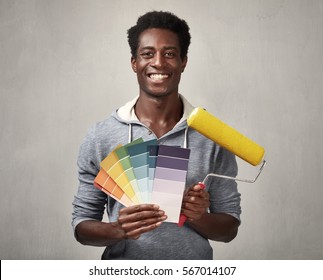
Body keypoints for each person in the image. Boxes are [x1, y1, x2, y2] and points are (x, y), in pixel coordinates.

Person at [72, 11, 241, 260]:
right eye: (148, 54)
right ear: (134, 62)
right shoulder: (101, 136)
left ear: (184, 61)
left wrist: (198, 217)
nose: (159, 63)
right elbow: (81, 226)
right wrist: (118, 230)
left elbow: (229, 229)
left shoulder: (211, 137)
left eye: (170, 54)